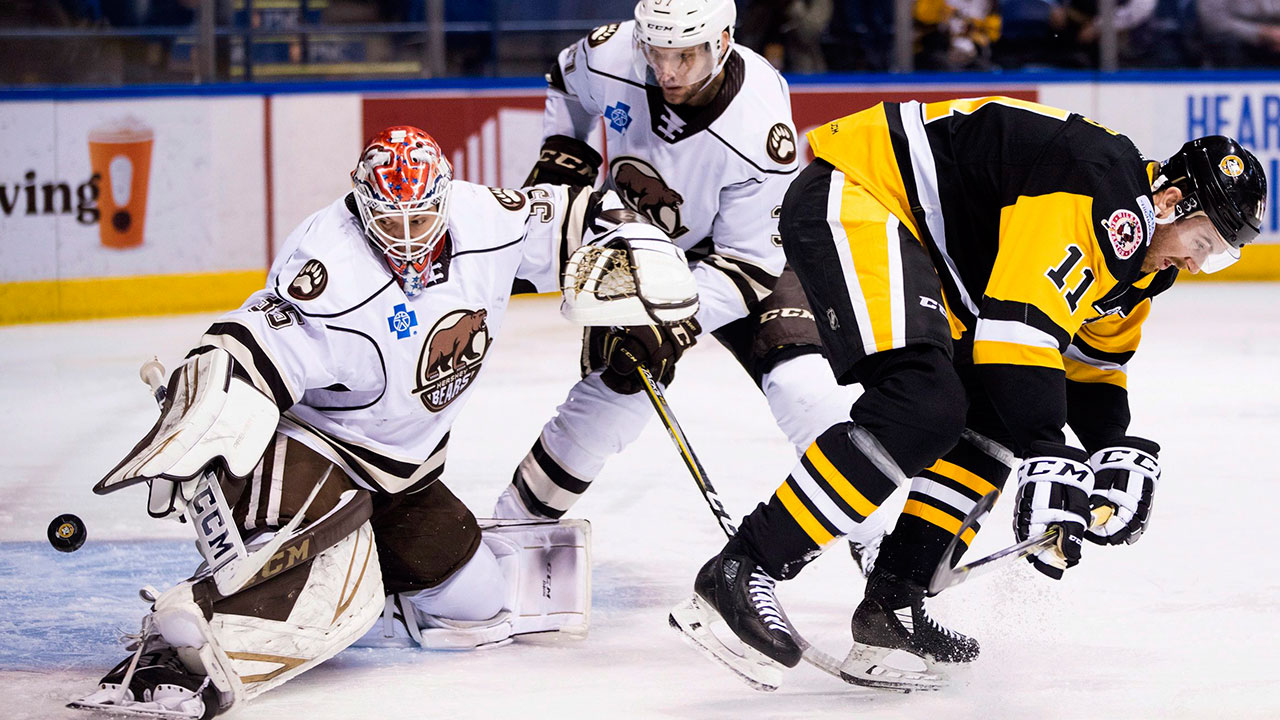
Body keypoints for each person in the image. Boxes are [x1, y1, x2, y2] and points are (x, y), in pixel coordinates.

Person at [72, 125, 697, 718]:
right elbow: (246, 348)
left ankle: (356, 594)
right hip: (312, 447)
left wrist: (639, 262)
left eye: (421, 219)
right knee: (320, 586)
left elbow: (579, 213)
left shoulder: (486, 218)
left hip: (402, 469)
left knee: (478, 602)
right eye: (388, 222)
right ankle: (175, 657)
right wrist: (198, 422)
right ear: (361, 205)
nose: (406, 238)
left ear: (444, 200)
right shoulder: (326, 263)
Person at [670, 96, 1267, 691]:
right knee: (920, 406)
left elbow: (1088, 367)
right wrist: (1050, 448)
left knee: (994, 419)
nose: (1198, 263)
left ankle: (892, 601)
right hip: (864, 195)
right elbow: (1017, 333)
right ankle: (745, 563)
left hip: (930, 251)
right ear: (1170, 202)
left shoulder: (1142, 264)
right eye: (1205, 242)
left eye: (1217, 258)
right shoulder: (1100, 189)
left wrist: (1113, 450)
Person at [490, 0, 892, 563]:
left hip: (750, 252)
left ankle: (880, 545)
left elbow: (749, 267)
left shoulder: (760, 122)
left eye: (686, 55)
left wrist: (673, 322)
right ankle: (514, 528)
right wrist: (567, 154)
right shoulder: (614, 50)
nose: (668, 72)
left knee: (803, 385)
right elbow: (565, 76)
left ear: (723, 41)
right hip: (641, 239)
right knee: (619, 383)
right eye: (657, 53)